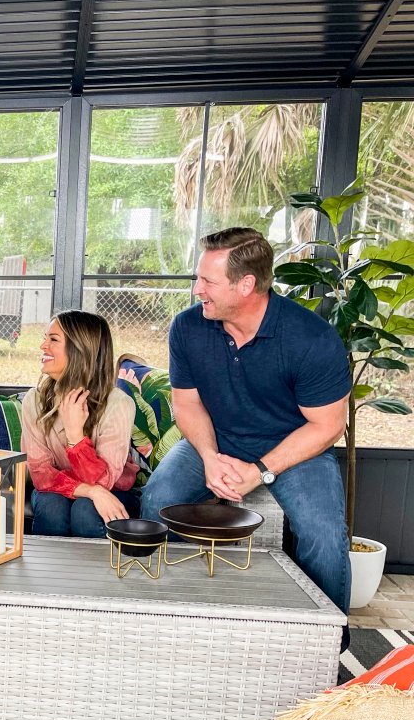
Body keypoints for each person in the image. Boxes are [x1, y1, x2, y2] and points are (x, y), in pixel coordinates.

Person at [140, 227, 352, 615]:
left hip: (294, 447)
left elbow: (328, 426)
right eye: (198, 278)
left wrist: (259, 472)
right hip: (216, 438)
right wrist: (207, 455)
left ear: (246, 285)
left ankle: (327, 642)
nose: (196, 290)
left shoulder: (310, 339)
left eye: (208, 281)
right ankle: (172, 614)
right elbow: (186, 405)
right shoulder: (188, 328)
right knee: (158, 499)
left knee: (323, 535)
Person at [22, 310, 140, 537]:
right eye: (45, 337)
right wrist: (91, 492)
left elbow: (103, 481)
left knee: (85, 511)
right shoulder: (34, 401)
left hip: (114, 490)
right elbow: (40, 472)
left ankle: (98, 572)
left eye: (53, 339)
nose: (42, 346)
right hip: (56, 489)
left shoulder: (118, 404)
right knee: (52, 507)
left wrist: (76, 435)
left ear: (79, 350)